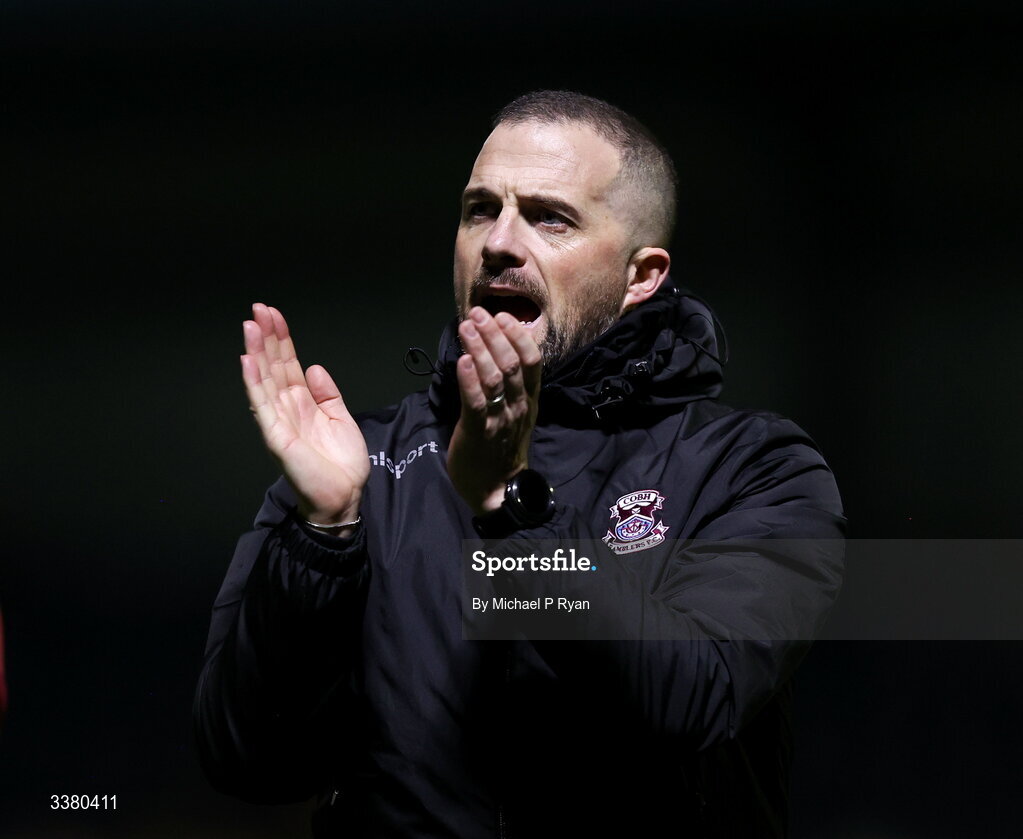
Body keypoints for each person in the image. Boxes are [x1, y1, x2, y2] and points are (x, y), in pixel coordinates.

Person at [193, 90, 845, 838]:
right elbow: (246, 760)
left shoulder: (753, 467)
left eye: (548, 217)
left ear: (642, 275)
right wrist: (322, 537)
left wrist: (510, 506)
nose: (498, 242)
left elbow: (688, 697)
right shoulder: (358, 462)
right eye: (479, 209)